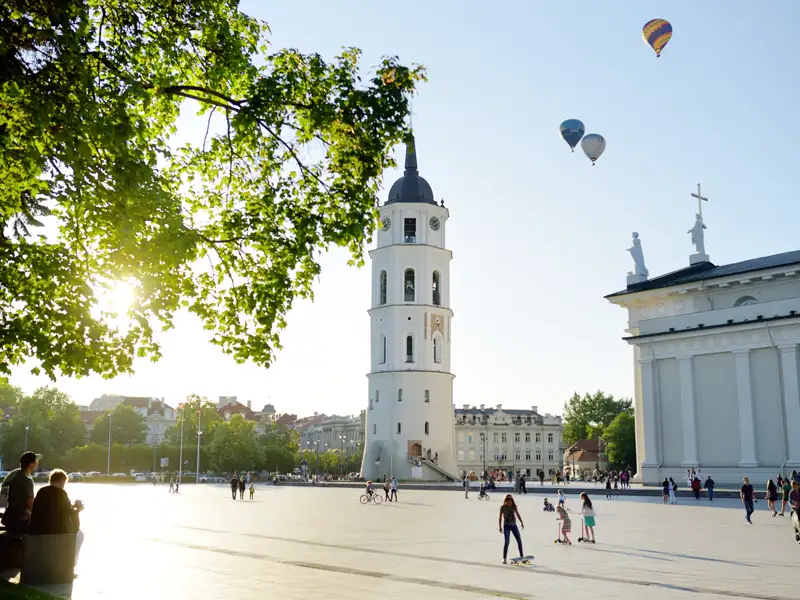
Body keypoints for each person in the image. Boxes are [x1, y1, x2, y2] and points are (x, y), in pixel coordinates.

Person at [28, 469, 84, 569]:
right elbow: (68, 514)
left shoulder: (41, 492)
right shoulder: (61, 493)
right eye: (64, 482)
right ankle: (70, 567)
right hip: (55, 532)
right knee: (80, 535)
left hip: (36, 530)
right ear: (61, 480)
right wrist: (78, 509)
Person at [0, 451, 41, 533]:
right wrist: (38, 515)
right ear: (31, 464)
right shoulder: (27, 480)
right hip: (21, 519)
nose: (37, 463)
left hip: (9, 517)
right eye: (36, 461)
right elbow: (30, 502)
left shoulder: (15, 475)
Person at [498, 494, 525, 564]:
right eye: (508, 501)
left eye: (510, 501)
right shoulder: (502, 507)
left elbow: (517, 514)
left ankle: (522, 556)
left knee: (519, 540)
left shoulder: (514, 507)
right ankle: (504, 558)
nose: (509, 502)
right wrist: (500, 527)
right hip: (506, 526)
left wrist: (521, 522)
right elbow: (500, 517)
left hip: (514, 526)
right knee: (506, 542)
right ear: (505, 501)